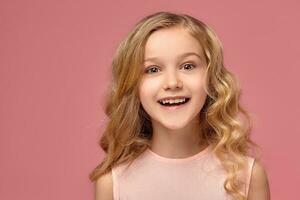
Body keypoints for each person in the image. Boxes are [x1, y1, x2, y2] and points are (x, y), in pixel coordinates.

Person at [89, 11, 270, 200]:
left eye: (188, 66)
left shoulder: (247, 177)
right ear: (133, 85)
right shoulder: (113, 184)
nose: (172, 82)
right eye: (153, 69)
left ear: (212, 77)